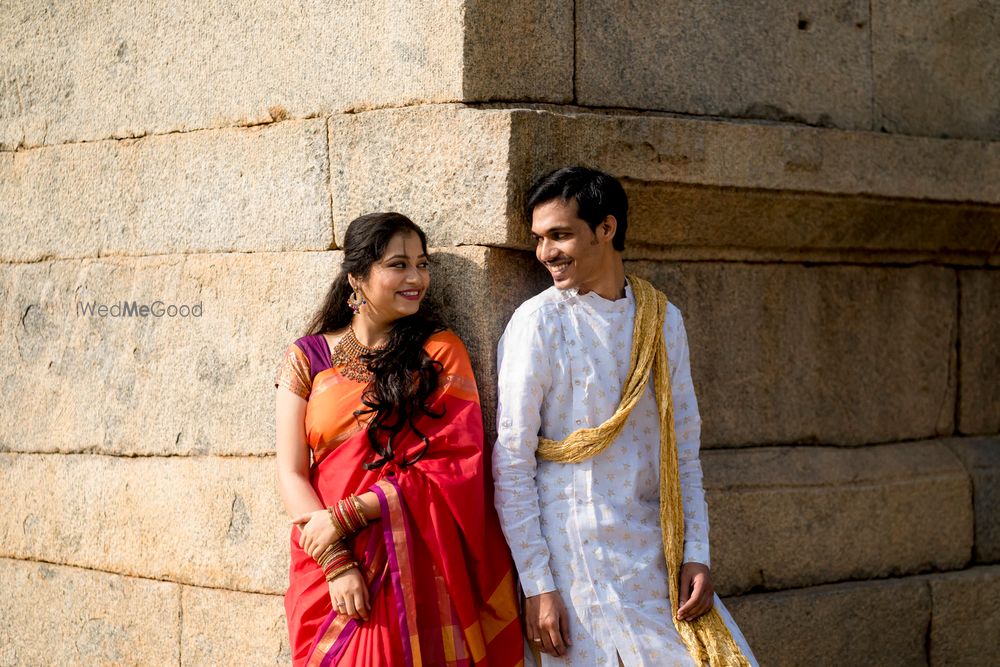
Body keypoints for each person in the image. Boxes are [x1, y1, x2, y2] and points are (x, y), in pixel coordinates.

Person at [492, 168, 758, 666]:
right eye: (539, 238)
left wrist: (696, 550)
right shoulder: (539, 322)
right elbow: (511, 461)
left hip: (653, 559)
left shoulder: (661, 318)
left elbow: (681, 450)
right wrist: (538, 585)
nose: (546, 252)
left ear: (606, 229)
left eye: (561, 234)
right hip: (572, 562)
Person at [275, 212, 523, 667]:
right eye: (398, 265)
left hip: (408, 558)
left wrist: (349, 515)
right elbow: (291, 471)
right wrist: (335, 560)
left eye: (422, 264)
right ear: (357, 278)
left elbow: (455, 466)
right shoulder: (307, 357)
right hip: (325, 560)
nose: (416, 278)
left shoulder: (438, 352)